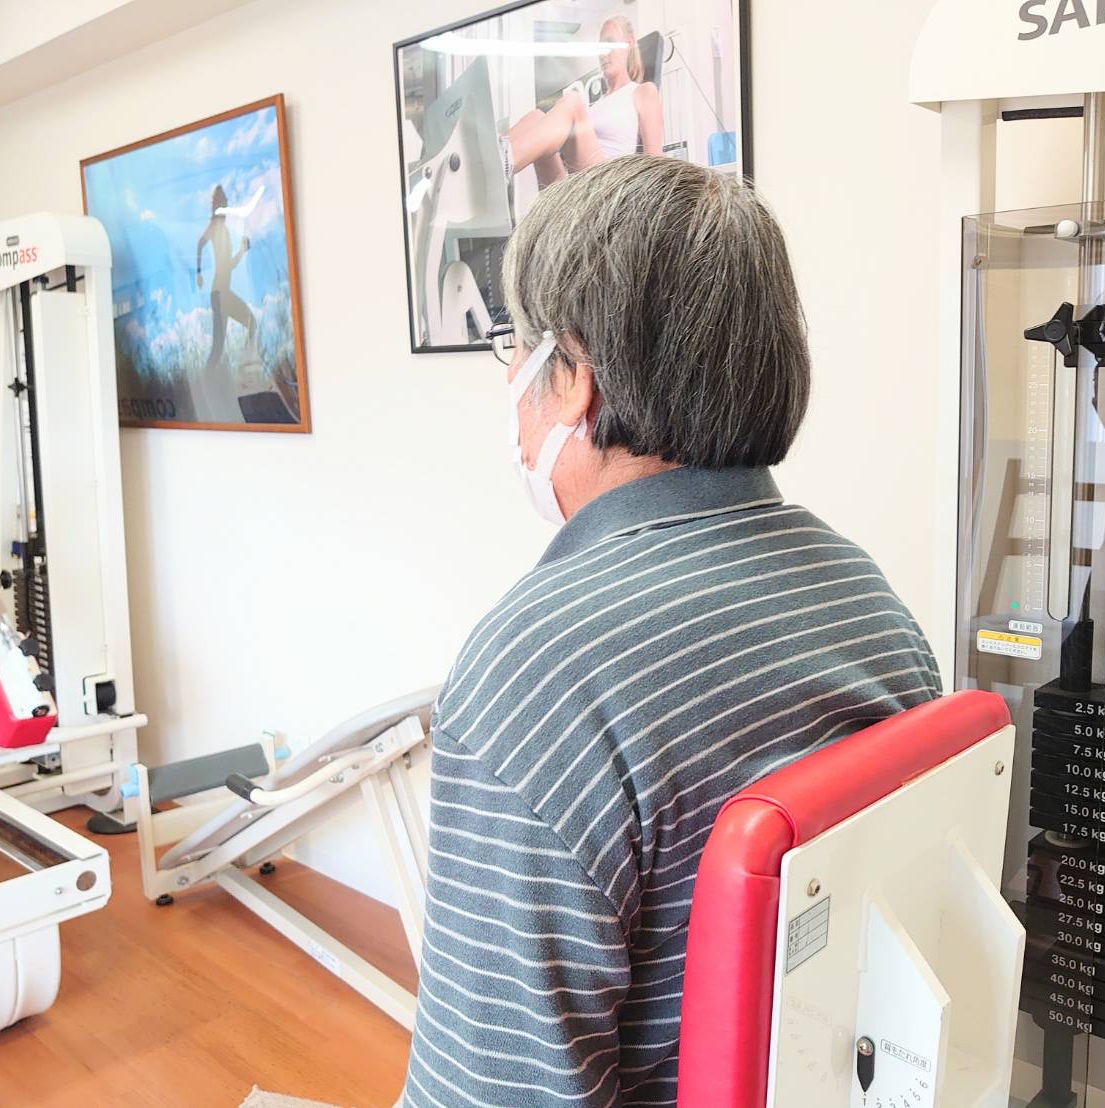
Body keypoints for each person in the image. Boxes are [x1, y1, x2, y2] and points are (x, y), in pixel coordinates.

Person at [401, 155, 940, 1107]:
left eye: (514, 350)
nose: (512, 384)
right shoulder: (863, 595)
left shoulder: (537, 672)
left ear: (575, 378)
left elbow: (491, 1092)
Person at [501, 15, 664, 188]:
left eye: (610, 43)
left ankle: (505, 161)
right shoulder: (597, 104)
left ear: (628, 43)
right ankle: (493, 157)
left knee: (572, 101)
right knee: (536, 117)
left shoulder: (643, 91)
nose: (603, 53)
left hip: (608, 189)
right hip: (579, 187)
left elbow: (655, 167)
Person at [195, 184, 258, 415]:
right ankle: (210, 386)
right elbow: (206, 248)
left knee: (225, 342)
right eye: (224, 200)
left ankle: (242, 372)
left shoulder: (220, 228)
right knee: (221, 345)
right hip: (220, 293)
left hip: (221, 293)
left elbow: (223, 262)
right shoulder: (216, 227)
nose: (228, 202)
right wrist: (199, 273)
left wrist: (240, 251)